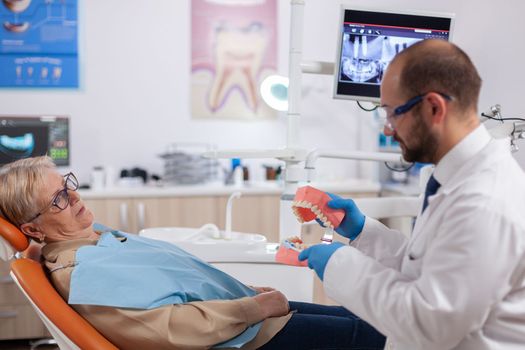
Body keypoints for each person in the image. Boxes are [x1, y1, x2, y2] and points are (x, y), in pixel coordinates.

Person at [0, 156, 386, 350]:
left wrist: (245, 291)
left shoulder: (95, 238)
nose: (76, 197)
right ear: (32, 229)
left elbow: (171, 281)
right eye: (59, 199)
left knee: (372, 317)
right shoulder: (82, 275)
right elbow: (171, 329)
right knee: (382, 335)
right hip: (247, 336)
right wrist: (254, 308)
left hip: (248, 316)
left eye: (69, 185)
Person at [299, 38, 525, 350]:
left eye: (392, 113)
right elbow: (430, 268)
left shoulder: (483, 202)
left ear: (434, 107)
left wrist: (339, 263)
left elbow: (429, 323)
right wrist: (364, 231)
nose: (388, 130)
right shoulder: (455, 179)